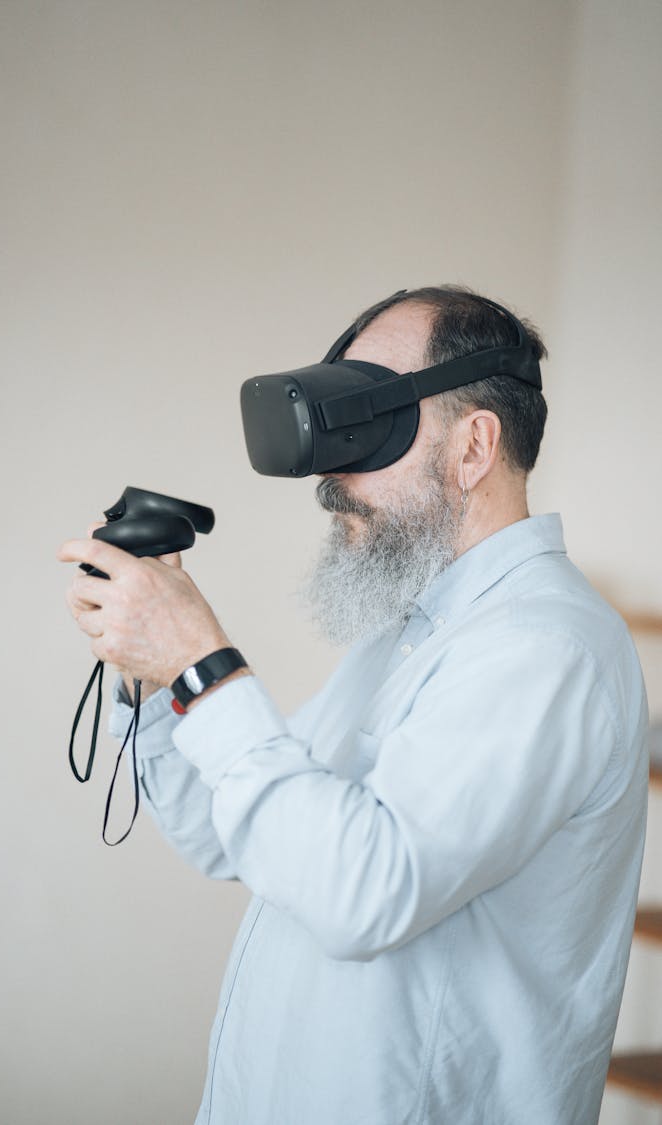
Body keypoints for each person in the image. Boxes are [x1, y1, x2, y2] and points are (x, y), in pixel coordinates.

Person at [59, 286, 649, 1125]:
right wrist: (155, 673)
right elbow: (232, 827)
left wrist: (201, 659)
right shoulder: (409, 636)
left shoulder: (543, 647)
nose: (332, 479)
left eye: (366, 426)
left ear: (474, 445)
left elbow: (365, 892)